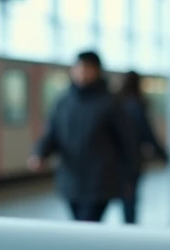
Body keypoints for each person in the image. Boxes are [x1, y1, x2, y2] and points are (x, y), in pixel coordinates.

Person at [28, 52, 136, 222]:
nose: (82, 72)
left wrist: (129, 178)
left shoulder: (111, 103)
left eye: (87, 67)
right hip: (71, 181)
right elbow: (52, 134)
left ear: (97, 71)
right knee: (80, 226)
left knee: (88, 224)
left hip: (100, 182)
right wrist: (39, 153)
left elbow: (126, 142)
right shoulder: (63, 102)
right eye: (79, 67)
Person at [117, 71, 169, 225]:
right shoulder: (137, 105)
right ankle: (129, 230)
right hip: (132, 158)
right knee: (130, 199)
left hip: (116, 158)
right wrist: (161, 152)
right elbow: (147, 132)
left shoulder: (116, 102)